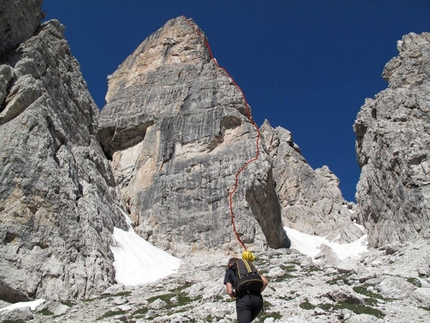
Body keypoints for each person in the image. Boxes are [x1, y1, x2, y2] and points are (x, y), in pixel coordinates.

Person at [224, 257, 269, 323]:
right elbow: (265, 282)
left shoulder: (230, 271)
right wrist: (258, 292)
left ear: (230, 264)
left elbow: (230, 291)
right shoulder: (250, 269)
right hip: (258, 299)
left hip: (244, 299)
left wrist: (236, 296)